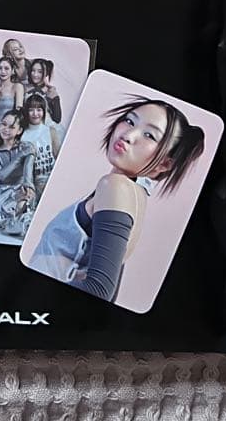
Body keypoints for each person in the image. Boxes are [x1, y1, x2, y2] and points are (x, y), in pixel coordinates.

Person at [26, 97, 205, 303]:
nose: (128, 135)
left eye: (149, 135)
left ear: (164, 164)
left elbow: (100, 289)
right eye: (130, 121)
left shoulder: (115, 187)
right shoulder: (134, 193)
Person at [0, 110, 37, 237]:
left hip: (22, 188)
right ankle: (10, 220)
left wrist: (28, 186)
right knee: (16, 203)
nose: (6, 129)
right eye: (4, 124)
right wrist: (20, 156)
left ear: (19, 131)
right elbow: (2, 176)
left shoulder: (26, 147)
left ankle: (14, 221)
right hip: (4, 192)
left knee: (24, 201)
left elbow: (28, 170)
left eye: (12, 127)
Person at [21, 92, 61, 198]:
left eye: (39, 110)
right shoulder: (23, 135)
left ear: (43, 111)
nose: (35, 114)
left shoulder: (51, 131)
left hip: (53, 177)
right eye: (31, 110)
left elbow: (58, 156)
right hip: (36, 181)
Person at [26, 58, 62, 124]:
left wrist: (53, 97)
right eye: (33, 70)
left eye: (40, 72)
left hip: (45, 126)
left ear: (46, 74)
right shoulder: (24, 88)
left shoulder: (51, 91)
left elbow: (57, 119)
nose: (35, 74)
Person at [0, 56, 25, 122]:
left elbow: (18, 111)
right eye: (0, 68)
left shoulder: (17, 87)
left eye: (6, 68)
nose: (3, 71)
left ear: (12, 70)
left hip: (10, 125)